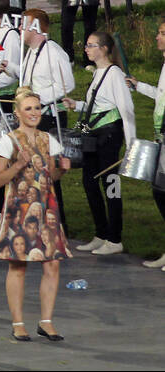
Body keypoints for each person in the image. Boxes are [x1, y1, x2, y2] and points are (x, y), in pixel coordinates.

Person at [0, 89, 72, 340]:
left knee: (52, 263)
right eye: (28, 108)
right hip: (19, 208)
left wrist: (61, 170)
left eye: (37, 108)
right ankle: (18, 323)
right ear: (17, 113)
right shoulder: (8, 141)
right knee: (18, 264)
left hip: (47, 207)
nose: (34, 113)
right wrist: (17, 164)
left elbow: (50, 176)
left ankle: (46, 321)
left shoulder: (49, 140)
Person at [63, 30, 133, 256]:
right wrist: (77, 105)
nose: (86, 49)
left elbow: (126, 109)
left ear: (104, 49)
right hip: (94, 134)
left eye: (91, 45)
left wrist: (131, 144)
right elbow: (98, 105)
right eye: (86, 45)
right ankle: (101, 233)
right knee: (89, 182)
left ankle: (115, 238)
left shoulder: (114, 74)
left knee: (111, 185)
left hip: (109, 135)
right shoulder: (98, 73)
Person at [127, 20, 165, 269]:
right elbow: (161, 97)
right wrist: (139, 86)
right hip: (160, 136)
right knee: (159, 191)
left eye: (162, 33)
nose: (157, 37)